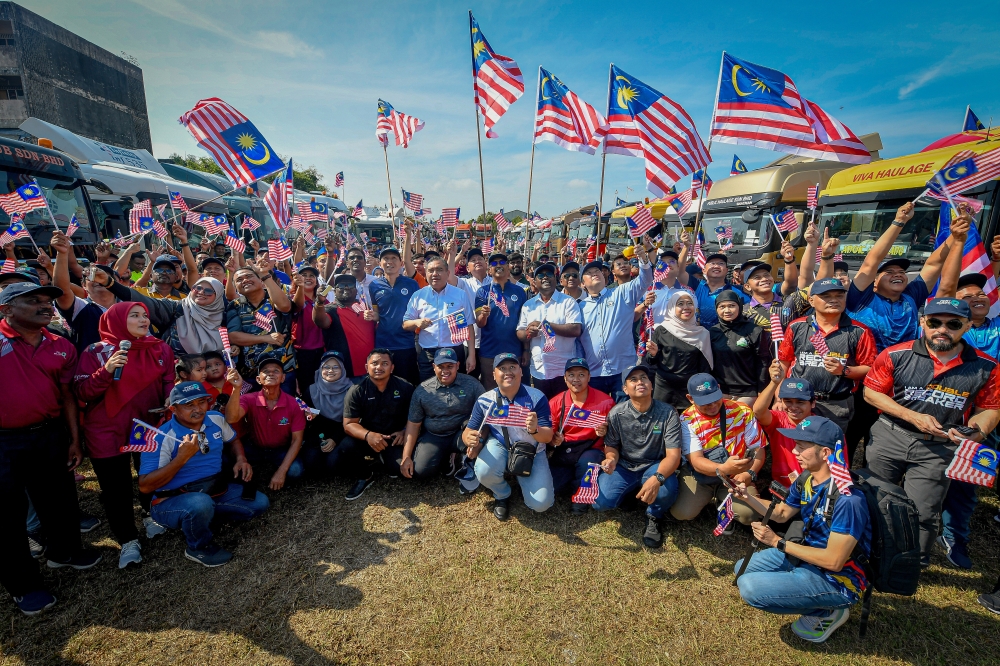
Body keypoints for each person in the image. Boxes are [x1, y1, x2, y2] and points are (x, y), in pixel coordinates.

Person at [862, 297, 1000, 566]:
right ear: (923, 322)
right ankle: (867, 552)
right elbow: (872, 393)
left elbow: (991, 408)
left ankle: (913, 563)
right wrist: (912, 416)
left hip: (940, 446)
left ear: (968, 326)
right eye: (935, 322)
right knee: (873, 498)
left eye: (953, 323)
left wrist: (978, 431)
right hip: (891, 435)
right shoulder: (895, 354)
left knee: (923, 510)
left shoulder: (987, 366)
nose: (942, 329)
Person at [0, 282, 101, 615]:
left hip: (50, 434)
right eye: (33, 301)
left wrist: (74, 439)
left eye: (47, 301)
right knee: (7, 516)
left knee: (58, 498)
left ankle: (65, 552)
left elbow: (68, 395)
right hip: (4, 441)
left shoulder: (61, 344)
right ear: (6, 310)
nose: (45, 306)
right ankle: (23, 585)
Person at [732, 416, 871, 644]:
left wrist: (778, 542)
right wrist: (746, 497)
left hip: (837, 577)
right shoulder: (807, 478)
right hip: (805, 553)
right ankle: (800, 585)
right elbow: (782, 513)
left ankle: (829, 611)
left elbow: (835, 561)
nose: (794, 451)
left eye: (802, 447)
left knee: (750, 588)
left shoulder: (848, 500)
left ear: (825, 453)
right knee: (741, 570)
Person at [73, 302, 175, 568]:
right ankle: (127, 539)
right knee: (115, 487)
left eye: (145, 315)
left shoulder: (159, 347)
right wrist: (106, 370)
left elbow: (168, 382)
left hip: (147, 425)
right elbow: (82, 392)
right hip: (106, 428)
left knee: (149, 474)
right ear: (116, 320)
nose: (143, 320)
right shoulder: (96, 351)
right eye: (135, 315)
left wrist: (168, 401)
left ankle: (150, 514)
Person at [139, 382, 268, 568]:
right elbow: (145, 485)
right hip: (171, 499)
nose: (198, 409)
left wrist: (241, 459)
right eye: (189, 405)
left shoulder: (215, 418)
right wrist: (181, 458)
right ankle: (198, 546)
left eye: (201, 402)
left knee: (259, 503)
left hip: (213, 490)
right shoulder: (160, 436)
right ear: (173, 409)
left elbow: (233, 440)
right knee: (200, 504)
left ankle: (203, 518)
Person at [589, 364, 681, 548]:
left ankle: (654, 515)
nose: (640, 382)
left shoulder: (668, 412)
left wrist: (658, 478)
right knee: (600, 502)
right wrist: (611, 459)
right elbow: (611, 446)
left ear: (651, 385)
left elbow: (673, 455)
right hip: (625, 466)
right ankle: (631, 492)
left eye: (644, 378)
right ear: (625, 389)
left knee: (666, 490)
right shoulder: (617, 413)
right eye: (633, 379)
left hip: (655, 464)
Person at [777, 278, 876, 435]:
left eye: (839, 296)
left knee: (829, 451)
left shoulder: (859, 331)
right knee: (796, 448)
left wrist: (843, 370)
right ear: (811, 300)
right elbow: (784, 364)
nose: (834, 300)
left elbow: (869, 368)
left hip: (836, 403)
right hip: (797, 401)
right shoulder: (797, 326)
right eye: (826, 296)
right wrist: (779, 397)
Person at [463, 352, 555, 519]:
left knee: (541, 504)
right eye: (502, 368)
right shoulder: (485, 400)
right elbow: (469, 431)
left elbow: (547, 437)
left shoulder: (537, 398)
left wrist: (535, 430)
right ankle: (503, 493)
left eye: (512, 367)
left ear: (521, 371)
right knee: (483, 471)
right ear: (493, 374)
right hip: (501, 445)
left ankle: (524, 479)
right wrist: (469, 439)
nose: (508, 372)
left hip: (532, 450)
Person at [670, 373, 765, 528]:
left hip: (736, 476)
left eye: (715, 399)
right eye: (705, 403)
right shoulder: (686, 420)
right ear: (690, 398)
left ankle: (725, 501)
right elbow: (696, 461)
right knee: (682, 513)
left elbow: (758, 449)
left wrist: (749, 474)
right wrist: (724, 468)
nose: (713, 405)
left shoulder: (743, 411)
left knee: (751, 515)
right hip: (701, 475)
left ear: (719, 389)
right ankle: (711, 495)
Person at [336, 349, 415, 500]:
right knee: (346, 447)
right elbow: (348, 424)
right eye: (374, 363)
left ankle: (385, 458)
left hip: (395, 438)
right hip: (369, 438)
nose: (379, 367)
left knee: (398, 470)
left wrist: (404, 430)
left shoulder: (405, 387)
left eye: (384, 363)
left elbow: (415, 416)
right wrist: (368, 435)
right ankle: (365, 476)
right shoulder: (356, 390)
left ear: (392, 368)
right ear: (367, 367)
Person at [577, 243, 653, 397]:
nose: (595, 273)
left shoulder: (621, 293)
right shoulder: (579, 308)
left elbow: (645, 280)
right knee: (600, 417)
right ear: (583, 284)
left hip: (624, 370)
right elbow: (578, 341)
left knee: (626, 415)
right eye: (589, 272)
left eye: (597, 270)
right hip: (595, 372)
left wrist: (643, 258)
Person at [401, 348, 484, 480]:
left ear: (457, 365)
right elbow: (413, 424)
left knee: (479, 449)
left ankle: (464, 458)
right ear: (434, 367)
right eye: (441, 366)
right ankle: (447, 455)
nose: (445, 371)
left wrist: (478, 440)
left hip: (461, 433)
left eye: (450, 366)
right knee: (421, 472)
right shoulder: (422, 390)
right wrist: (406, 456)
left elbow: (485, 415)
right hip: (434, 435)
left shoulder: (472, 384)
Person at [225, 356, 306, 490]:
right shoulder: (248, 398)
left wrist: (281, 471)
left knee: (295, 471)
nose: (271, 373)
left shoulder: (294, 404)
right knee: (227, 461)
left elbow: (297, 440)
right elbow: (231, 418)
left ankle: (277, 468)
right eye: (266, 371)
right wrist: (236, 388)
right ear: (258, 379)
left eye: (276, 371)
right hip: (254, 447)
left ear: (283, 378)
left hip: (281, 449)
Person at [547, 357, 614, 506]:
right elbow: (549, 434)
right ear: (565, 378)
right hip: (567, 448)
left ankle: (580, 502)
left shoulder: (606, 402)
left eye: (581, 375)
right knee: (551, 487)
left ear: (589, 377)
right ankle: (574, 476)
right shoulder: (556, 402)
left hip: (592, 448)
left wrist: (605, 431)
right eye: (571, 375)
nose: (576, 379)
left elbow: (614, 436)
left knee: (586, 462)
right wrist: (553, 440)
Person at [404, 255, 476, 382]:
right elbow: (405, 324)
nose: (435, 274)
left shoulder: (460, 295)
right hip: (428, 354)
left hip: (454, 351)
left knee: (455, 391)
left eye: (439, 270)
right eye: (431, 271)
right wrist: (417, 322)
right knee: (429, 391)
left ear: (448, 273)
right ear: (426, 273)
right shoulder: (418, 296)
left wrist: (471, 355)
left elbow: (469, 325)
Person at [517, 263, 584, 399]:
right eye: (540, 275)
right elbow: (520, 332)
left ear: (556, 278)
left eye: (549, 275)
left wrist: (544, 325)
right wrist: (529, 332)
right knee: (544, 411)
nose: (545, 278)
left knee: (563, 409)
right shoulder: (528, 305)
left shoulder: (568, 302)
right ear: (535, 282)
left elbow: (575, 329)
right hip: (539, 370)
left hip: (564, 370)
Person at [225, 264, 295, 392]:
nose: (245, 280)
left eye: (249, 276)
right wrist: (267, 338)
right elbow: (233, 336)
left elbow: (285, 306)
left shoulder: (274, 297)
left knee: (285, 408)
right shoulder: (235, 305)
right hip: (251, 373)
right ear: (236, 287)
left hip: (284, 370)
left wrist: (264, 274)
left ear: (260, 281)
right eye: (239, 280)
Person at [753, 365, 819, 488]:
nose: (793, 407)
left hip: (815, 488)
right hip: (784, 487)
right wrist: (774, 383)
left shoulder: (822, 427)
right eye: (788, 401)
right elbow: (758, 411)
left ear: (813, 403)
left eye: (800, 402)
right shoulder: (778, 420)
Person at [645, 291, 713, 410]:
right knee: (661, 424)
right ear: (672, 307)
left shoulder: (703, 333)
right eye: (680, 304)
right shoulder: (662, 330)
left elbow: (705, 368)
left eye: (689, 303)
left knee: (690, 425)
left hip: (690, 388)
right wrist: (653, 354)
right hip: (664, 387)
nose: (686, 307)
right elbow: (651, 362)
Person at [475, 251, 528, 391]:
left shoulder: (520, 292)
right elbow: (480, 323)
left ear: (508, 267)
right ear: (489, 269)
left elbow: (525, 323)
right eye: (494, 263)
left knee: (514, 388)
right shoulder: (483, 292)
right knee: (492, 390)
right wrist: (483, 315)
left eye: (502, 262)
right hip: (490, 352)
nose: (498, 265)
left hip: (514, 350)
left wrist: (526, 350)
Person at [368, 247, 421, 387]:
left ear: (401, 263)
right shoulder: (374, 285)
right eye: (386, 258)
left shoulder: (412, 284)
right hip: (383, 344)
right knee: (385, 384)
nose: (389, 262)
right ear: (380, 263)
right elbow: (378, 313)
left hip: (406, 344)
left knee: (407, 385)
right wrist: (373, 316)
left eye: (393, 258)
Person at [312, 273, 377, 379]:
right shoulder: (331, 309)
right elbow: (321, 322)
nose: (346, 288)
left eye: (350, 285)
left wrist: (377, 317)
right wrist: (319, 302)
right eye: (341, 286)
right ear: (334, 290)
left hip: (372, 370)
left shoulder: (365, 307)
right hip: (346, 373)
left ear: (356, 290)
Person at [710, 289, 770, 404]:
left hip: (748, 392)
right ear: (716, 309)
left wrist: (761, 390)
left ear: (740, 307)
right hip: (720, 392)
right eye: (722, 307)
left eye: (732, 306)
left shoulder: (754, 330)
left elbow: (762, 363)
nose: (727, 310)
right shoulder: (713, 332)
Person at [299, 351, 353, 475]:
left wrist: (334, 439)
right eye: (326, 367)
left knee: (332, 465)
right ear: (320, 369)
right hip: (319, 434)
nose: (330, 371)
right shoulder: (311, 390)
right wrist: (308, 417)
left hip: (342, 433)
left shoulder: (351, 390)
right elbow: (308, 418)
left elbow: (353, 421)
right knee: (312, 464)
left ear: (343, 369)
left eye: (336, 367)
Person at [290, 265, 327, 398]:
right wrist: (300, 288)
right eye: (304, 275)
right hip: (303, 352)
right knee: (307, 388)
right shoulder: (292, 298)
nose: (308, 278)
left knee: (323, 386)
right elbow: (297, 305)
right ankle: (309, 416)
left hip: (322, 351)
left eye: (312, 275)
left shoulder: (324, 300)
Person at [695, 253, 747, 327]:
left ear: (726, 270)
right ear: (704, 270)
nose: (716, 266)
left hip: (723, 337)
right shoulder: (696, 285)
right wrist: (686, 247)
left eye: (721, 263)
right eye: (712, 263)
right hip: (697, 336)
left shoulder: (737, 293)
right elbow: (680, 272)